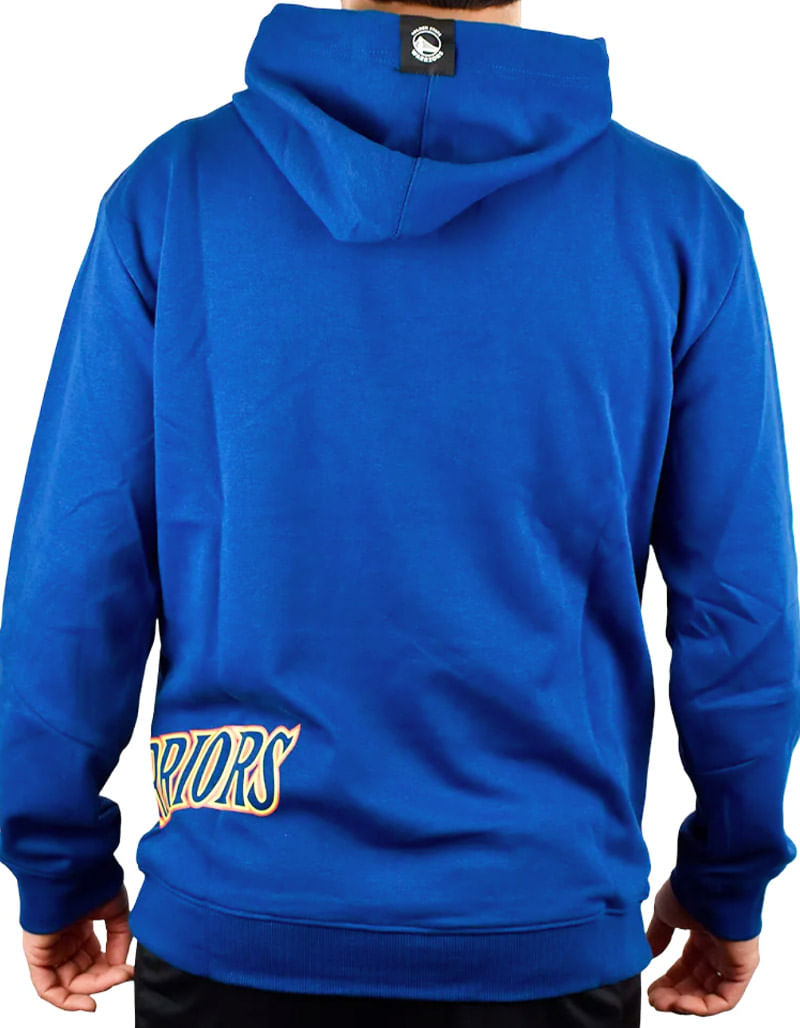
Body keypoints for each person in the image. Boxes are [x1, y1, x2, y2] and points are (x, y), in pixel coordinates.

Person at [0, 1, 798, 1025]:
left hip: (238, 906)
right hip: (539, 922)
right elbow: (741, 607)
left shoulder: (176, 193)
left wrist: (58, 860)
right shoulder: (678, 219)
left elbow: (76, 574)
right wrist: (727, 872)